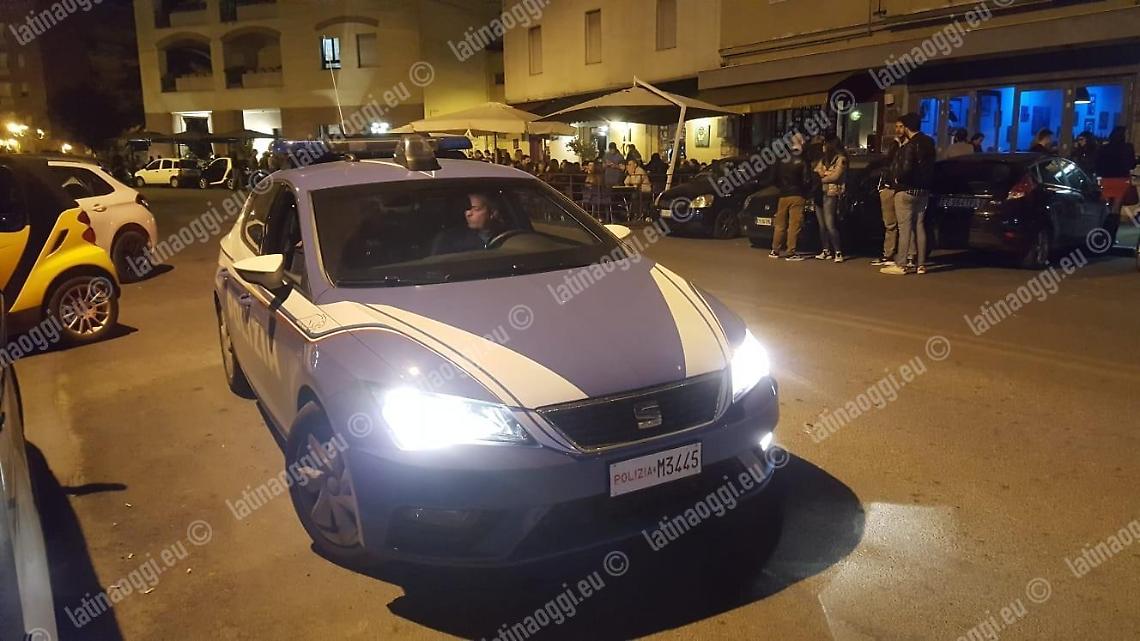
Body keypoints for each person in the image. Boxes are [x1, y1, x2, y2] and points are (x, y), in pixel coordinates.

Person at [882, 112, 936, 276]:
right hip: (923, 190)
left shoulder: (910, 145)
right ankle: (921, 264)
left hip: (907, 189)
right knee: (920, 226)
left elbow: (906, 168)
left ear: (907, 127)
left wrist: (897, 179)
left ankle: (901, 263)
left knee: (904, 228)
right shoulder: (929, 142)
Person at [770, 134, 813, 262]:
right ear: (801, 142)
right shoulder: (803, 159)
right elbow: (806, 180)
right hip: (797, 194)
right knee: (794, 224)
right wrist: (806, 192)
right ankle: (791, 252)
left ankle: (775, 250)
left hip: (783, 195)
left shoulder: (782, 158)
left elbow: (774, 177)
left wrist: (781, 188)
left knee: (780, 224)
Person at [431, 193, 509, 255]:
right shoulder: (449, 240)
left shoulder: (509, 235)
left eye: (476, 209)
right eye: (466, 209)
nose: (468, 213)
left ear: (493, 213)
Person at [814, 135, 847, 262]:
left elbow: (836, 176)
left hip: (831, 193)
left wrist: (822, 177)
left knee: (830, 224)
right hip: (819, 193)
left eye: (824, 144)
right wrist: (824, 174)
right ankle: (825, 250)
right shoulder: (823, 159)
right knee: (822, 225)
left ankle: (838, 251)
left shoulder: (840, 159)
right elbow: (816, 171)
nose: (822, 147)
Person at [872, 127, 903, 267]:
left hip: (892, 188)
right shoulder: (894, 156)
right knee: (892, 224)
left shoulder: (899, 154)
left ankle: (891, 254)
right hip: (889, 187)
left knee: (893, 224)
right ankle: (891, 253)